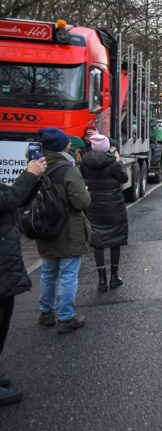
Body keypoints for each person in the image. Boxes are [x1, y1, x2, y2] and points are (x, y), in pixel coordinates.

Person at [35, 127, 91, 334]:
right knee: (68, 274)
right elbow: (82, 201)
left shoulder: (35, 166)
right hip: (68, 229)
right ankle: (66, 317)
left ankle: (46, 313)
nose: (70, 144)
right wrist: (85, 191)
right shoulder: (67, 169)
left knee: (48, 272)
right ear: (60, 146)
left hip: (44, 227)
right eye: (67, 141)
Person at [0, 156, 46, 406]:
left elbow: (14, 199)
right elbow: (6, 201)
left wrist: (35, 178)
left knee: (4, 320)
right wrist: (29, 175)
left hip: (4, 264)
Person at [80, 134, 128, 292]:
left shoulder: (85, 163)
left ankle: (101, 280)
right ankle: (114, 277)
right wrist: (118, 160)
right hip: (114, 206)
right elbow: (124, 178)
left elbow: (84, 178)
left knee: (98, 242)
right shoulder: (112, 162)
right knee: (115, 240)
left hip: (94, 206)